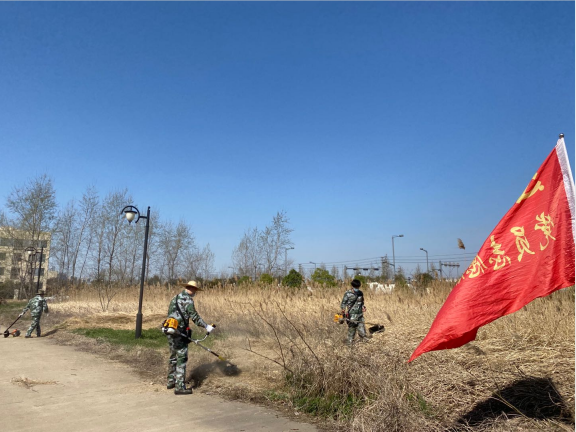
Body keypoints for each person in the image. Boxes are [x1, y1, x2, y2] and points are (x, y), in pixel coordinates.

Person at [165, 280, 215, 395]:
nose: (195, 292)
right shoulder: (188, 300)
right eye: (195, 290)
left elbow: (170, 314)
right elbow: (195, 317)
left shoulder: (175, 298)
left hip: (170, 329)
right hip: (180, 332)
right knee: (181, 358)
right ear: (191, 289)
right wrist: (206, 326)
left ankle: (170, 381)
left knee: (173, 356)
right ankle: (180, 387)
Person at [340, 279, 368, 345]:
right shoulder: (347, 293)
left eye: (358, 287)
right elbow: (343, 303)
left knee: (362, 332)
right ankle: (349, 345)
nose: (357, 289)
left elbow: (362, 303)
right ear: (352, 286)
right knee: (351, 331)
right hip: (351, 315)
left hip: (360, 315)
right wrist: (343, 310)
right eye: (355, 287)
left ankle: (364, 345)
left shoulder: (360, 293)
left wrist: (363, 307)